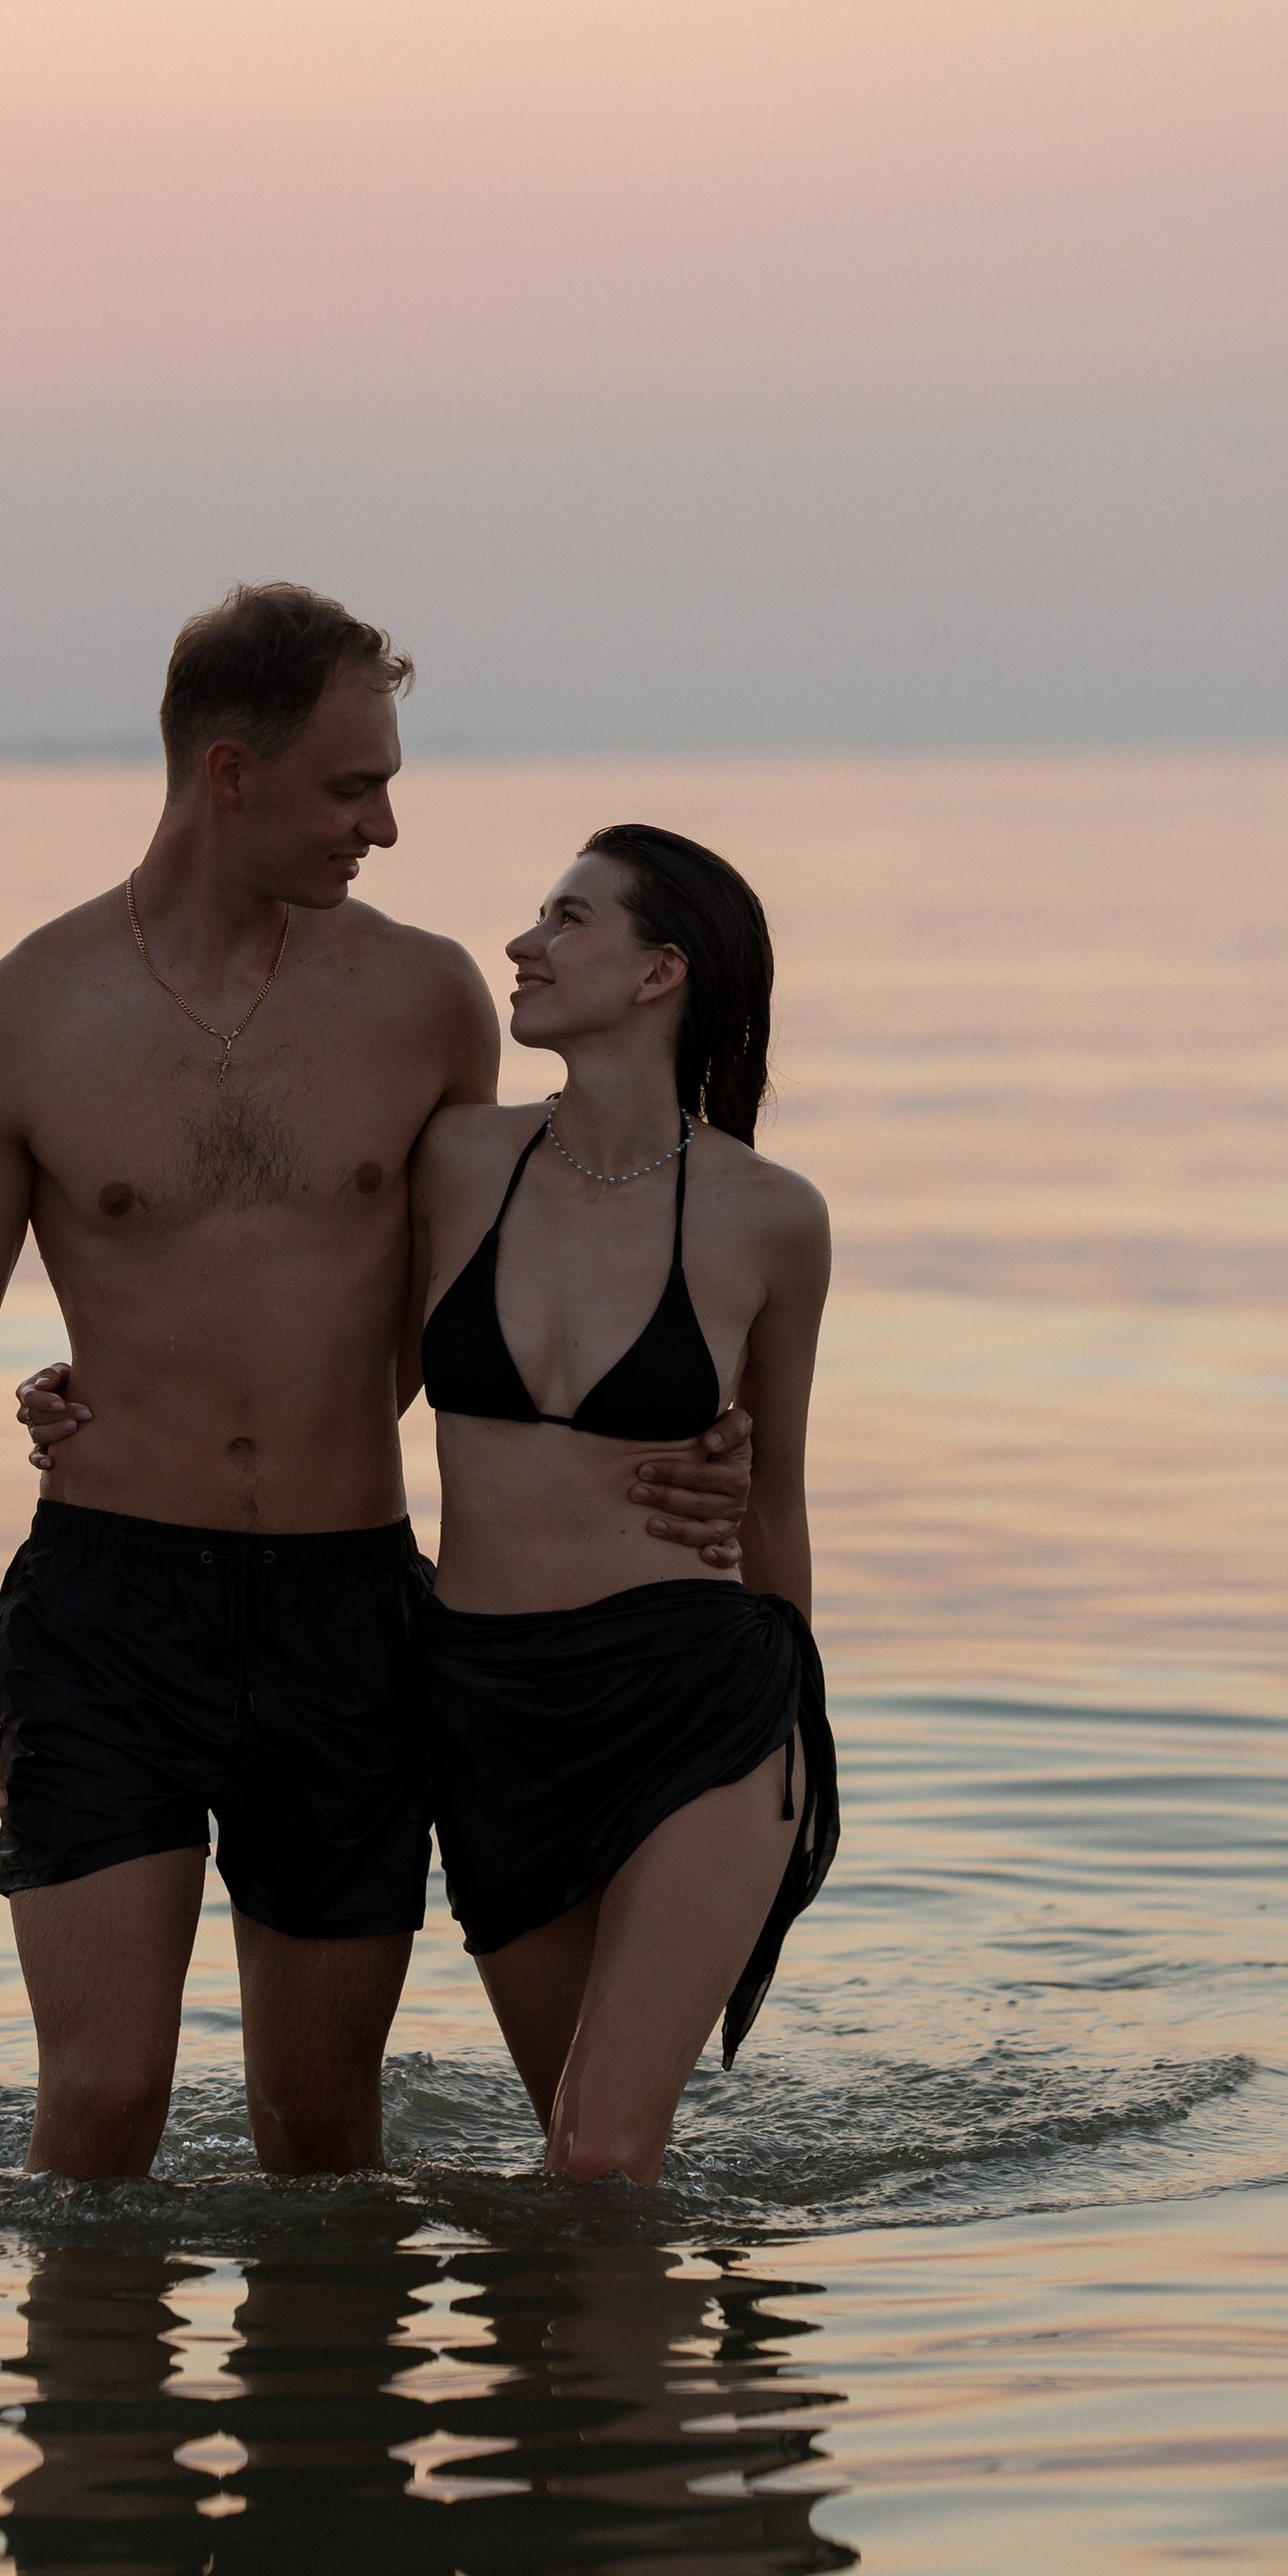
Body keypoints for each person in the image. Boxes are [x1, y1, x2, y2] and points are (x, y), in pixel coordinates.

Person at [0, 583, 756, 2182]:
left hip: (349, 1612)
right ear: (232, 774)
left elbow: (497, 1294)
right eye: (356, 787)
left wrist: (700, 1433)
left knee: (316, 2128)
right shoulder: (15, 1021)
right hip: (107, 1610)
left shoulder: (422, 1002)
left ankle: (325, 2433)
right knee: (98, 2104)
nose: (390, 827)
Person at [408, 824, 839, 2184]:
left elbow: (775, 1493)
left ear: (661, 972)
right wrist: (100, 1396)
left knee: (598, 2160)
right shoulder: (452, 1163)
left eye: (565, 919)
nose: (524, 946)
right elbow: (303, 1358)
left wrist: (798, 1717)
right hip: (486, 1705)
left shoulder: (769, 1215)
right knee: (579, 2158)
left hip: (693, 1704)